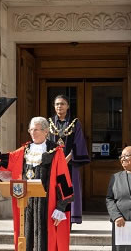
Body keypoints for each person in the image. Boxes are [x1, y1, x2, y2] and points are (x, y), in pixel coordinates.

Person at [0, 117, 74, 251]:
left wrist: (61, 208)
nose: (33, 132)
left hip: (47, 205)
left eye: (36, 129)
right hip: (25, 204)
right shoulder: (23, 151)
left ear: (46, 131)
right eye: (31, 129)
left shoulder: (55, 151)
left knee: (46, 240)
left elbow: (63, 180)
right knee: (26, 236)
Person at [48, 95, 90, 226]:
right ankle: (52, 220)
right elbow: (46, 143)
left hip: (70, 163)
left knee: (69, 190)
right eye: (57, 104)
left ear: (68, 106)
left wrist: (67, 159)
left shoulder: (75, 122)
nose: (59, 106)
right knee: (53, 190)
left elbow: (79, 142)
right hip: (52, 164)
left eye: (62, 104)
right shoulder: (49, 123)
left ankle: (68, 222)